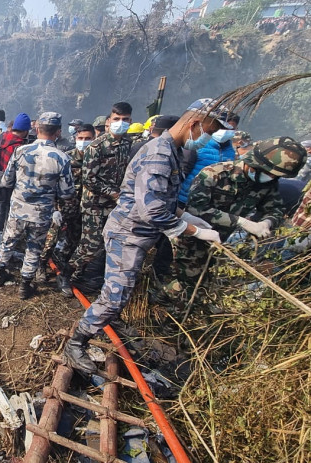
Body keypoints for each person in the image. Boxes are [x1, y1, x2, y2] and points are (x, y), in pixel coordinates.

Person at [64, 98, 230, 374]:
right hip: (128, 234)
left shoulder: (172, 151)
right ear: (195, 124)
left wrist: (190, 218)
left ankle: (108, 318)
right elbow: (152, 210)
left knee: (117, 290)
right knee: (116, 294)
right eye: (209, 132)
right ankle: (77, 342)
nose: (208, 139)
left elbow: (165, 202)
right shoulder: (159, 155)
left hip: (138, 234)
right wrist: (195, 231)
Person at [165, 137, 307, 301]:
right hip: (191, 239)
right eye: (269, 173)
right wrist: (241, 222)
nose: (271, 178)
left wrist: (266, 222)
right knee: (184, 286)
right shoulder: (215, 174)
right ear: (256, 164)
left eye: (275, 176)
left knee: (204, 288)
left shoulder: (268, 184)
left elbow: (274, 209)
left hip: (221, 244)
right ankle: (166, 316)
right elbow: (196, 209)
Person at [0, 112, 75, 299]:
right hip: (41, 213)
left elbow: (6, 181)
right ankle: (24, 286)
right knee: (33, 248)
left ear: (36, 129)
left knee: (8, 240)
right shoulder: (62, 158)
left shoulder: (20, 151)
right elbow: (67, 193)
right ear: (58, 132)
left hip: (18, 209)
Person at [63, 102, 134, 296]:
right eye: (117, 119)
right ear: (109, 122)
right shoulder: (97, 147)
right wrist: (115, 193)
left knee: (108, 244)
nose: (121, 123)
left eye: (125, 119)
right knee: (90, 245)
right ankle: (66, 274)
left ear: (130, 120)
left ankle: (87, 277)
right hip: (93, 204)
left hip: (114, 205)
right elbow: (89, 180)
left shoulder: (128, 145)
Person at [37, 123, 95, 285]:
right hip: (63, 208)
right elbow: (52, 184)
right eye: (81, 138)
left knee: (74, 240)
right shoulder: (66, 158)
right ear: (76, 138)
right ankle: (41, 265)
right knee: (50, 239)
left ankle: (66, 267)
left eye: (88, 138)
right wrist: (55, 208)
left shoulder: (97, 159)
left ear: (94, 139)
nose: (84, 141)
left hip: (85, 210)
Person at [178, 113, 240, 205]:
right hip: (183, 199)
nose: (225, 131)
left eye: (230, 128)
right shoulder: (198, 144)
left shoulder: (231, 152)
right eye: (222, 127)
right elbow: (183, 170)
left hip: (205, 203)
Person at [0, 112, 31, 231]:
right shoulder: (20, 147)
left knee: (3, 209)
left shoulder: (4, 138)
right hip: (14, 184)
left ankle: (0, 231)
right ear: (25, 130)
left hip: (1, 179)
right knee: (11, 212)